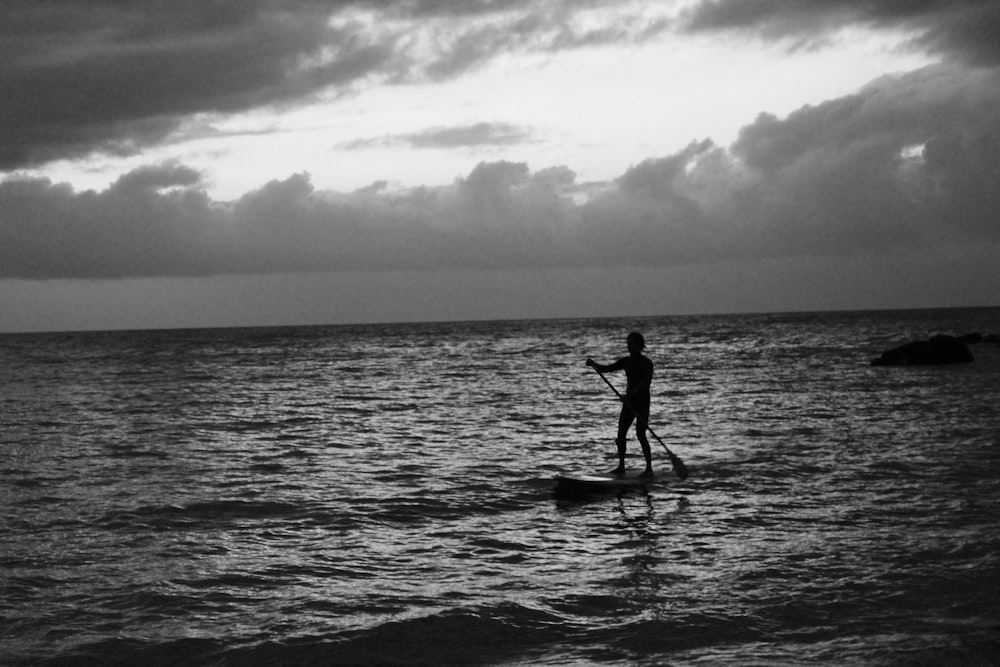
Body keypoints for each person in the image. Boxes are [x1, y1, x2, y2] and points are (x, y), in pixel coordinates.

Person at [586, 332, 654, 478]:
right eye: (627, 344)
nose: (628, 346)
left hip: (642, 403)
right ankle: (621, 466)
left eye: (631, 344)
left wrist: (629, 396)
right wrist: (594, 364)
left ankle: (649, 469)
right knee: (621, 433)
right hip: (629, 403)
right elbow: (607, 368)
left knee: (640, 434)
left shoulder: (647, 363)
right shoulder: (626, 361)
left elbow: (644, 384)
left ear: (639, 345)